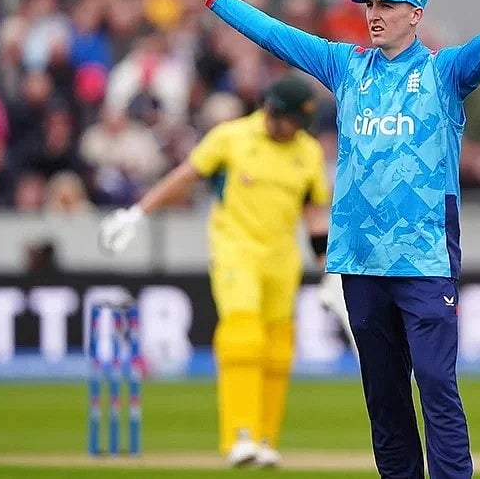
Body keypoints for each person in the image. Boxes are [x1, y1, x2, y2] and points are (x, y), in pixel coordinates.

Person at [159, 0, 480, 478]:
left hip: (423, 260)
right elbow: (275, 35)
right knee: (384, 399)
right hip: (359, 260)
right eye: (369, 3)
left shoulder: (444, 73)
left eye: (386, 5)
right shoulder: (346, 67)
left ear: (415, 14)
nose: (373, 13)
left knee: (437, 386)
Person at [97, 74, 332, 468]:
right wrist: (138, 213)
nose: (297, 131)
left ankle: (264, 439)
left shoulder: (306, 151)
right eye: (293, 121)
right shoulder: (231, 137)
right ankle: (239, 436)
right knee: (243, 335)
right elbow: (185, 177)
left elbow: (313, 214)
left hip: (282, 259)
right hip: (235, 250)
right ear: (274, 113)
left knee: (278, 349)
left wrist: (329, 273)